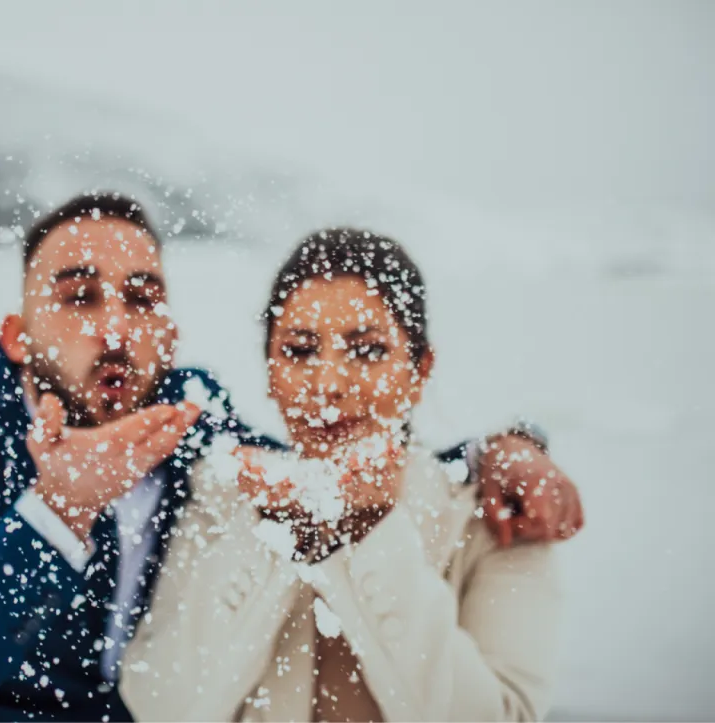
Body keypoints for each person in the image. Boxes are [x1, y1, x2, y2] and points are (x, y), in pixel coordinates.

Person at [0, 194, 583, 721]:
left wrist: (502, 450)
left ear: (171, 331)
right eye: (81, 296)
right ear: (18, 335)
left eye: (142, 296)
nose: (117, 326)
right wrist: (54, 514)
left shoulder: (191, 419)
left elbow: (343, 458)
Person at [121, 228, 573, 721]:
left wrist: (372, 530)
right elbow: (161, 707)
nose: (329, 384)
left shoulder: (499, 520)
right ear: (269, 372)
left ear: (419, 370)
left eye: (367, 350)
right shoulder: (219, 497)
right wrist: (270, 529)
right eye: (299, 350)